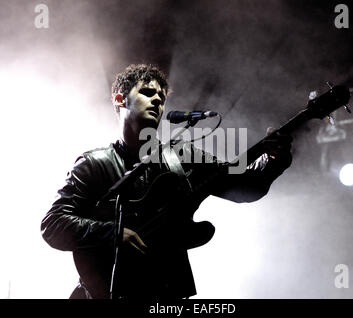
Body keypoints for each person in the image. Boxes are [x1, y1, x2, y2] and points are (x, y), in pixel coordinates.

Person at [41, 64, 293, 299]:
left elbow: (246, 186)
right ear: (120, 100)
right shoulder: (93, 163)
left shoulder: (183, 156)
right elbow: (52, 224)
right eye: (148, 93)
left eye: (162, 97)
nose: (158, 100)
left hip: (166, 293)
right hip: (104, 292)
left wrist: (275, 159)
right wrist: (114, 233)